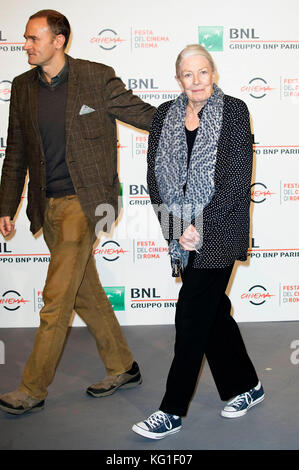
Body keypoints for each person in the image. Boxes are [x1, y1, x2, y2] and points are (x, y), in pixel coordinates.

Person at [0, 9, 155, 415]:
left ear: (59, 40)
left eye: (34, 38)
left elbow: (142, 114)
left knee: (55, 301)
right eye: (26, 38)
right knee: (85, 294)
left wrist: (192, 119)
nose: (27, 45)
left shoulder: (95, 76)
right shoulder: (22, 87)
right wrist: (7, 204)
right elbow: (16, 150)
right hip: (46, 205)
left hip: (87, 203)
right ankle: (123, 366)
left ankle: (32, 388)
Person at [132, 44, 264, 440]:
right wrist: (177, 228)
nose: (197, 81)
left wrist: (199, 229)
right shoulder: (163, 118)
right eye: (188, 75)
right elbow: (154, 178)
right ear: (178, 80)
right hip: (181, 235)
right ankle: (247, 386)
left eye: (203, 72)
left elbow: (235, 180)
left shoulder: (235, 112)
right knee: (212, 313)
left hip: (221, 230)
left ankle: (172, 410)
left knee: (191, 315)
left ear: (213, 73)